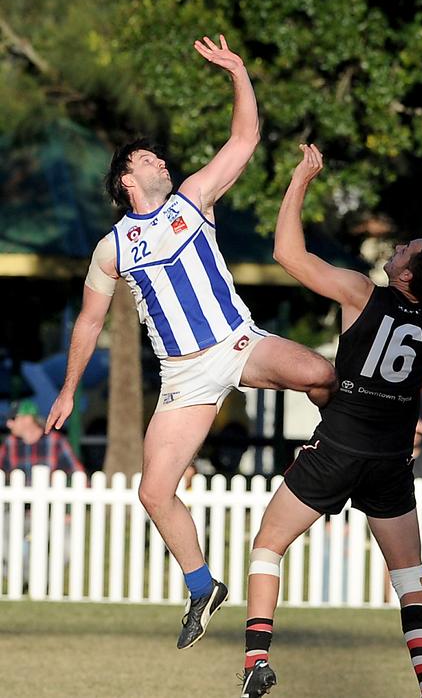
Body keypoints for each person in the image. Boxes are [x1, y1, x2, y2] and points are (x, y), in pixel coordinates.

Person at [45, 36, 337, 650]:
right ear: (128, 176)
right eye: (151, 158)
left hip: (235, 343)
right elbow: (89, 323)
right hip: (182, 378)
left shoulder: (191, 202)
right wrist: (69, 389)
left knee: (323, 376)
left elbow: (246, 139)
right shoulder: (113, 248)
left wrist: (237, 72)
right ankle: (201, 584)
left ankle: (347, 452)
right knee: (153, 490)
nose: (163, 163)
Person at [239, 144, 422, 698]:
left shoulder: (362, 294)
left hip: (337, 447)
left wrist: (299, 182)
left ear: (407, 272)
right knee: (409, 579)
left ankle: (255, 658)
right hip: (389, 462)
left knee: (268, 544)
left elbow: (288, 252)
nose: (399, 246)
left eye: (407, 248)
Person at [1, 399, 85, 582]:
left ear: (26, 419)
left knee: (67, 544)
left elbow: (79, 476)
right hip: (18, 513)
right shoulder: (9, 444)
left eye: (12, 419)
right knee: (3, 538)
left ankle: (42, 579)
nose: (8, 424)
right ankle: (24, 577)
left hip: (52, 513)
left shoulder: (56, 442)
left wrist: (69, 511)